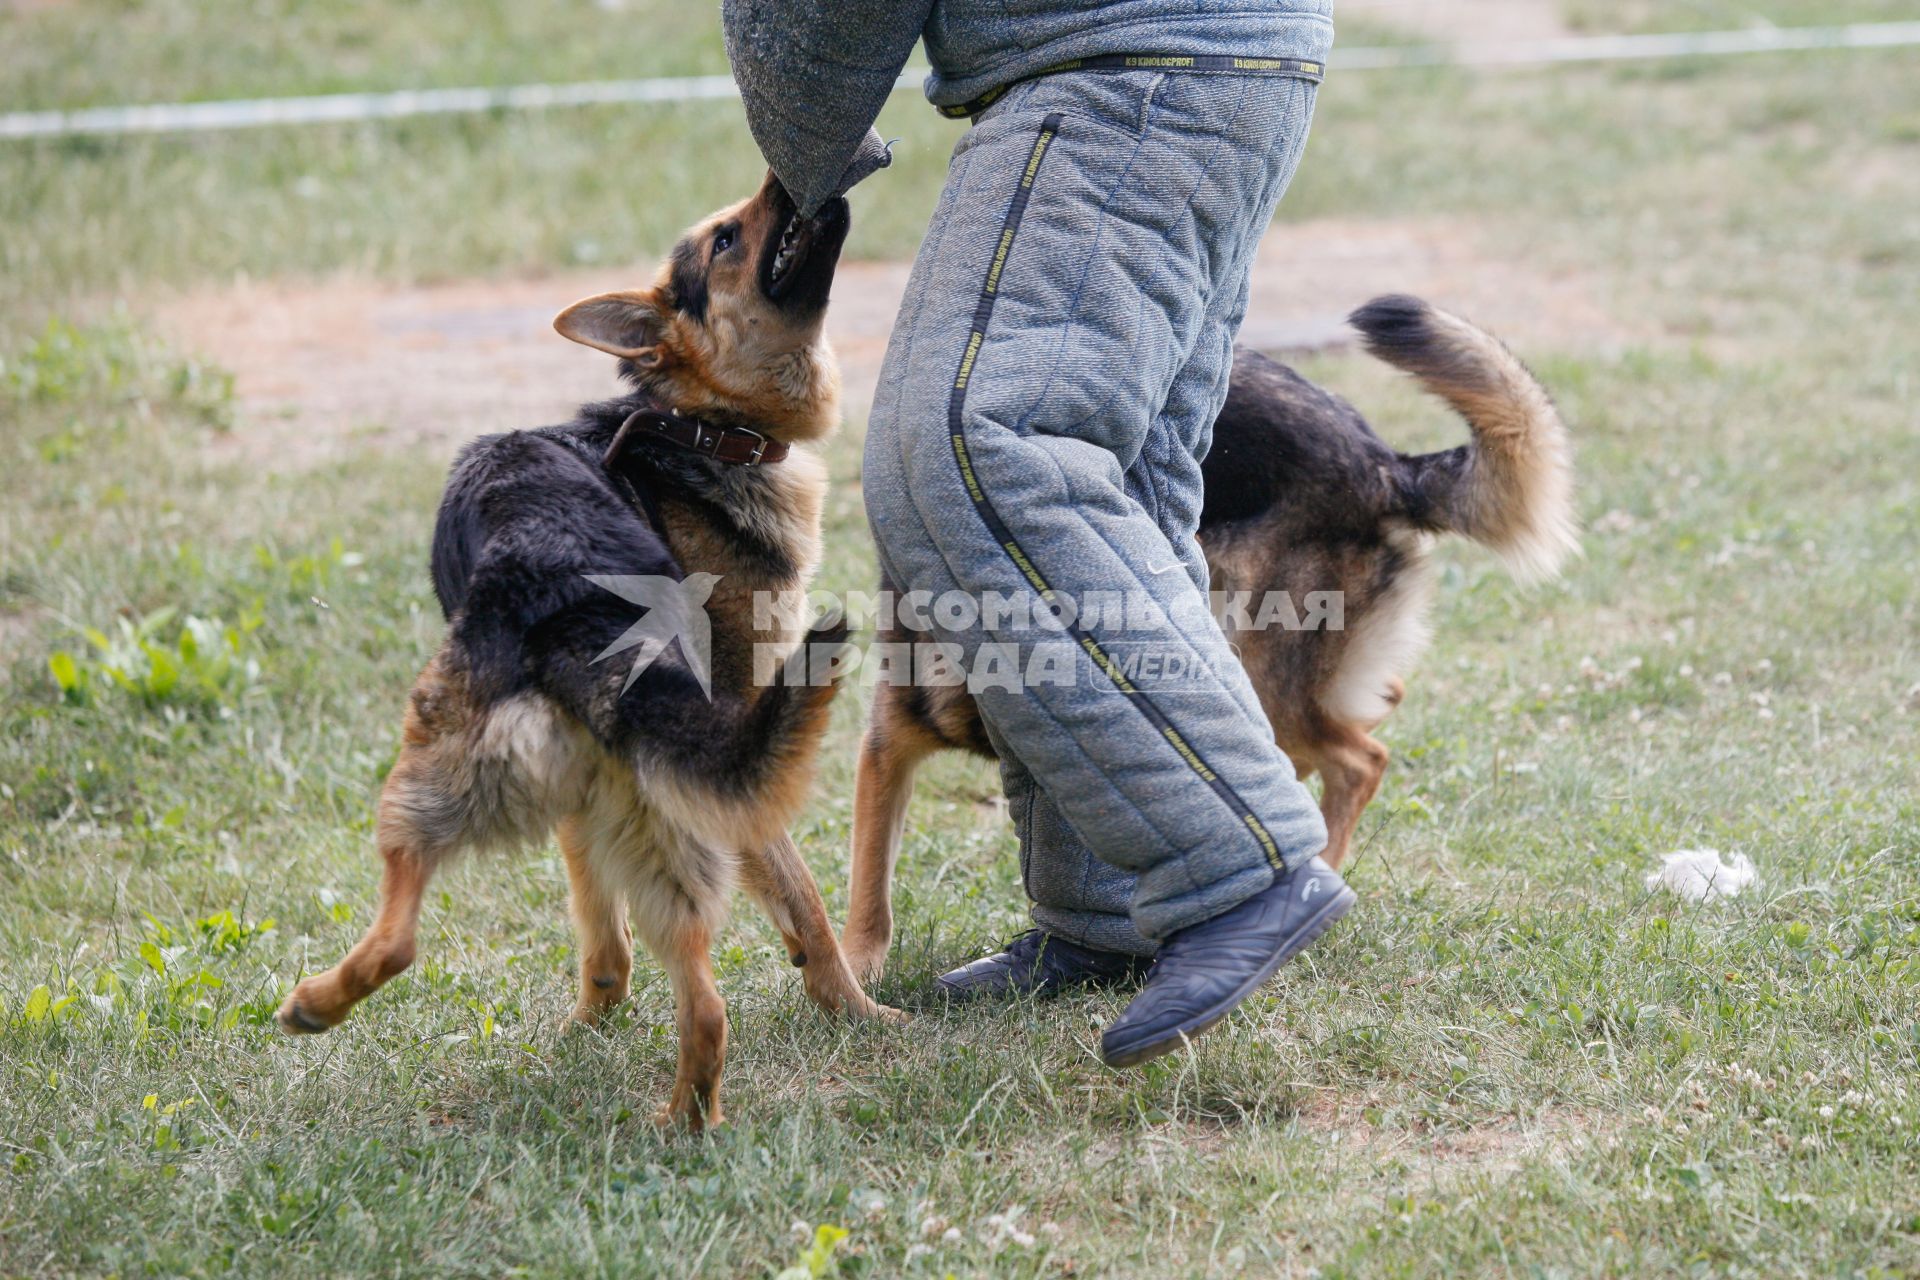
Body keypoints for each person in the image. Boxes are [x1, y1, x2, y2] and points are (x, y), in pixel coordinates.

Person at [723, 0, 1354, 1068]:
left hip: (1130, 69)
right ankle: (1105, 910)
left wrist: (804, 132)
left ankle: (1243, 861)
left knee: (971, 443)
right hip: (1201, 58)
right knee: (1121, 472)